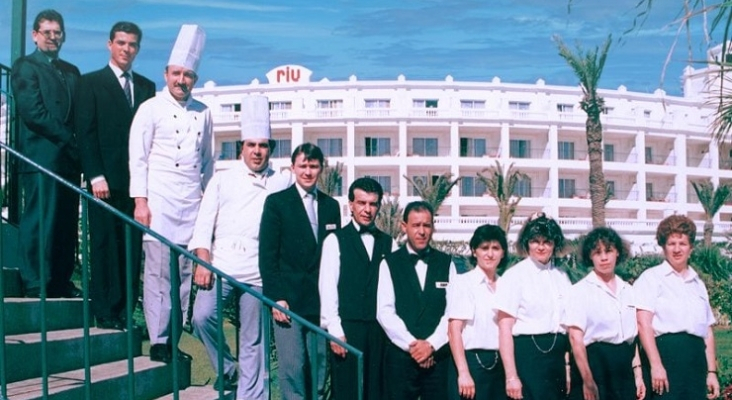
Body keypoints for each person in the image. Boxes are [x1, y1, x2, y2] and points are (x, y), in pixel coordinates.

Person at [189, 95, 291, 398]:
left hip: (258, 272)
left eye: (263, 145)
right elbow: (204, 223)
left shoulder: (282, 182)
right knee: (201, 317)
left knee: (253, 339)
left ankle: (252, 396)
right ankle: (230, 370)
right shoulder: (223, 179)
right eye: (251, 145)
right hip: (221, 264)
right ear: (242, 147)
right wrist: (202, 262)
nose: (257, 151)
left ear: (270, 149)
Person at [129, 24, 213, 363]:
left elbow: (207, 162)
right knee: (157, 275)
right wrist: (141, 201)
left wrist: (208, 210)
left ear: (194, 78)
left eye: (188, 75)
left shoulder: (204, 112)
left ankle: (174, 338)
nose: (182, 80)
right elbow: (138, 155)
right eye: (177, 73)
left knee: (183, 279)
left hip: (191, 204)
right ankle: (159, 339)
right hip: (159, 202)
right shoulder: (150, 108)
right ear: (166, 74)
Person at [75, 21, 156, 330]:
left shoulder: (147, 87)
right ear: (110, 44)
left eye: (132, 44)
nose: (126, 49)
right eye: (121, 43)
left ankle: (125, 312)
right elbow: (86, 132)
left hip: (136, 185)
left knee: (131, 249)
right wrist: (95, 175)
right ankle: (106, 311)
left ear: (138, 48)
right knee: (106, 246)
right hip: (104, 183)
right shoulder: (90, 83)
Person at [259, 143, 341, 400]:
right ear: (293, 167)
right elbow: (268, 255)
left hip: (320, 303)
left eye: (313, 166)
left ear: (321, 169)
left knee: (319, 369)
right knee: (293, 367)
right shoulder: (277, 203)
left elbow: (333, 257)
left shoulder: (331, 206)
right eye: (303, 165)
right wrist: (276, 297)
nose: (308, 171)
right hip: (288, 303)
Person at [11, 9, 81, 298]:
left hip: (68, 159)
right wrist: (69, 138)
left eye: (58, 32)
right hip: (41, 157)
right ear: (35, 35)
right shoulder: (25, 66)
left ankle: (61, 280)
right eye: (47, 32)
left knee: (66, 222)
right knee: (41, 219)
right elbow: (33, 112)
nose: (53, 37)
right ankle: (35, 280)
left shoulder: (72, 71)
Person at [319, 177, 396, 400]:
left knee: (377, 390)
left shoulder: (389, 243)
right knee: (346, 390)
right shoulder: (335, 240)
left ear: (379, 206)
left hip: (379, 330)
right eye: (361, 203)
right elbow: (328, 287)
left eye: (372, 204)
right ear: (350, 204)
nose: (367, 209)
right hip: (347, 329)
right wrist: (335, 331)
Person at [377, 201, 457, 400]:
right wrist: (413, 346)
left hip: (438, 357)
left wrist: (430, 345)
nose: (422, 231)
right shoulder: (389, 263)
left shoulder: (446, 263)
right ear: (404, 227)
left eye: (426, 225)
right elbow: (384, 311)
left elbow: (453, 311)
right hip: (401, 357)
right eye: (416, 225)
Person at [634, 215, 720, 399]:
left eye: (682, 243)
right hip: (666, 358)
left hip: (696, 362)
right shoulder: (651, 278)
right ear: (663, 247)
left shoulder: (698, 283)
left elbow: (708, 331)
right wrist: (656, 365)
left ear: (691, 248)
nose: (677, 249)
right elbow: (643, 325)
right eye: (671, 243)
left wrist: (711, 372)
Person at [562, 227, 646, 400]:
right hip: (595, 366)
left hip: (623, 370)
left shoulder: (629, 291)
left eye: (608, 251)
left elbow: (632, 339)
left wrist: (638, 375)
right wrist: (587, 380)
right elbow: (575, 340)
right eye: (597, 252)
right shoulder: (579, 291)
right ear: (590, 256)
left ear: (617, 253)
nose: (604, 257)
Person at [495, 212, 572, 400]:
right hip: (527, 357)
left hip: (556, 359)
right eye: (535, 241)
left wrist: (567, 368)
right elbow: (504, 328)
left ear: (554, 245)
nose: (541, 247)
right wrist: (511, 376)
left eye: (547, 242)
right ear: (527, 243)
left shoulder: (561, 277)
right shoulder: (514, 276)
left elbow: (568, 325)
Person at [446, 224, 508, 400]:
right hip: (470, 364)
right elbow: (454, 331)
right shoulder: (464, 283)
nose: (490, 254)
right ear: (474, 251)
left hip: (499, 366)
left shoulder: (507, 286)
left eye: (495, 248)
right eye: (484, 248)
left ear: (503, 253)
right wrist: (464, 373)